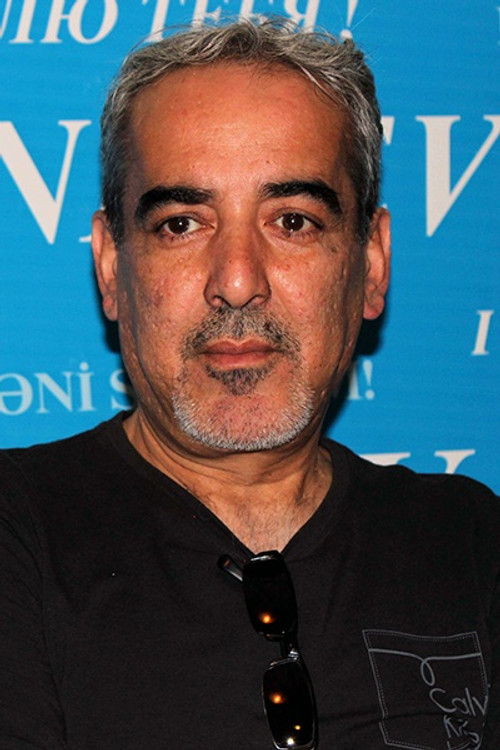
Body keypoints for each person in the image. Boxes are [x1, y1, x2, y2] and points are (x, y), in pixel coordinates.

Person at [0, 18, 498, 750]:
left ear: (371, 263)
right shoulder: (18, 536)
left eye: (292, 221)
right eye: (181, 224)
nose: (237, 281)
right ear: (110, 266)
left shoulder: (470, 544)